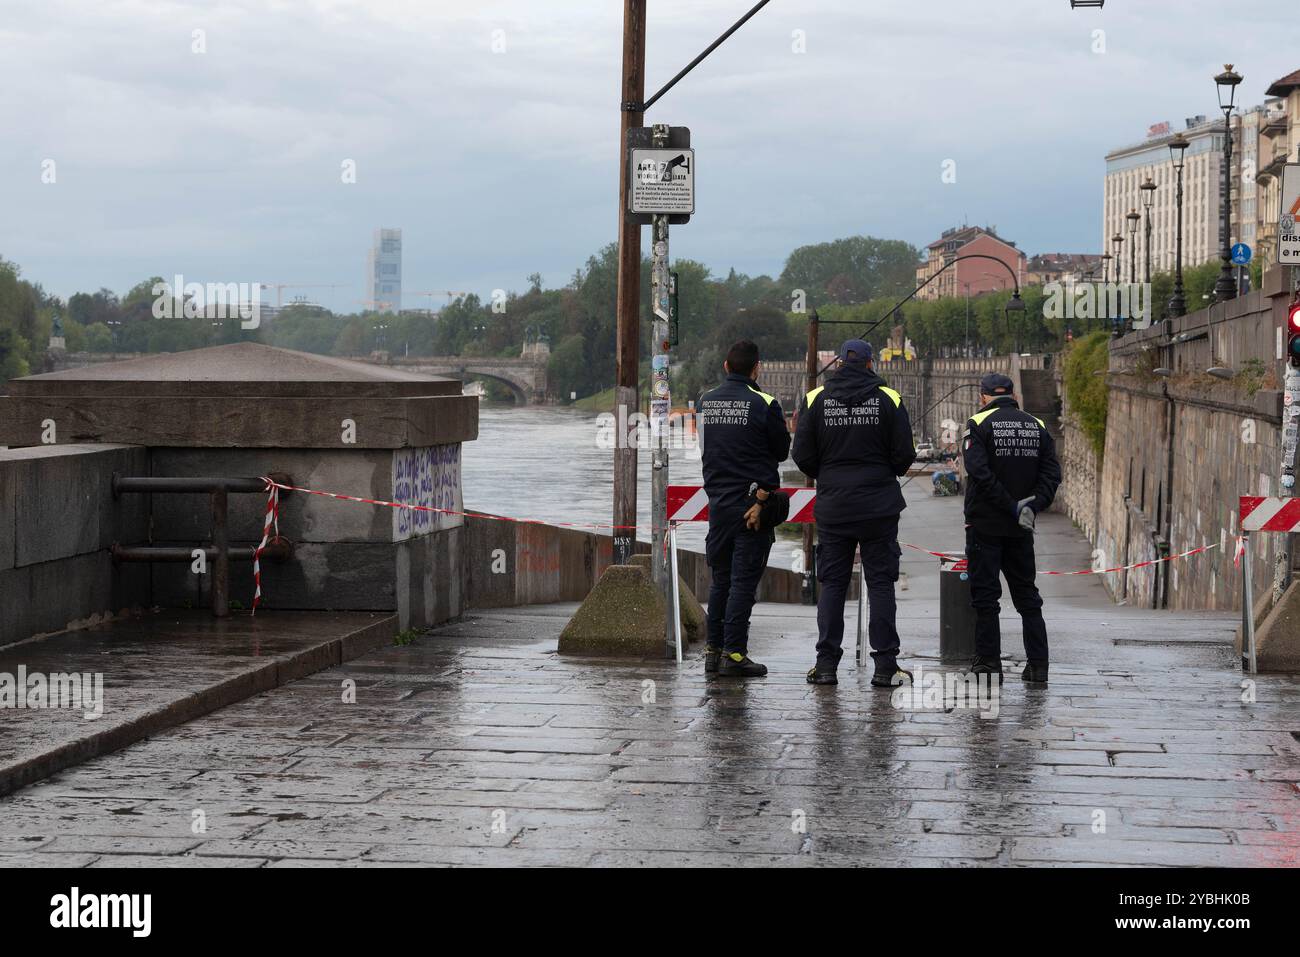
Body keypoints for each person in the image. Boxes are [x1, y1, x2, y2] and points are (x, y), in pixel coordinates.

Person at [792, 339, 915, 687]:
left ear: (839, 365)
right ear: (870, 364)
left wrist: (829, 474)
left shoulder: (816, 400)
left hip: (834, 505)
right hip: (879, 506)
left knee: (832, 583)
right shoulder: (889, 399)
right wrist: (882, 471)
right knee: (880, 583)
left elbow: (801, 454)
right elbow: (904, 454)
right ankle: (885, 666)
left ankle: (826, 664)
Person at [697, 339, 791, 677]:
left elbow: (706, 449)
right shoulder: (765, 403)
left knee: (720, 580)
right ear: (756, 369)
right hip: (753, 505)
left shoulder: (704, 402)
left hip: (718, 505)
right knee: (742, 584)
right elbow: (782, 450)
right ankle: (734, 655)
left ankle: (713, 650)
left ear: (725, 366)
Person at [961, 372, 1062, 684]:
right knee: (1027, 597)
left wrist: (1009, 505)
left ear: (983, 396)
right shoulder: (1038, 426)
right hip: (1022, 527)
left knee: (986, 598)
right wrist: (1032, 506)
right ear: (1013, 394)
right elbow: (1052, 474)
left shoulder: (977, 425)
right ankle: (1038, 664)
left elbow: (978, 472)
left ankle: (988, 664)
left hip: (985, 525)